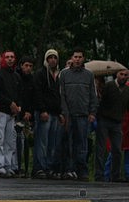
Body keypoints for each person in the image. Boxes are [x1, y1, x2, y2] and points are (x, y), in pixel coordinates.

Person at [59, 47, 98, 181]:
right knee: (67, 143)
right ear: (71, 58)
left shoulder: (89, 75)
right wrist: (64, 112)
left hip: (83, 115)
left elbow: (93, 95)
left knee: (82, 144)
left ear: (83, 59)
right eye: (75, 57)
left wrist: (92, 112)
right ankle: (68, 170)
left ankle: (82, 171)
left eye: (80, 57)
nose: (77, 59)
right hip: (68, 115)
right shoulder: (64, 74)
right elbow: (62, 95)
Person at [32, 49, 63, 179]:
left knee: (52, 143)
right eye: (50, 57)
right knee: (42, 142)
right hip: (45, 112)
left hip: (55, 113)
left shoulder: (59, 75)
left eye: (54, 58)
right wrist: (42, 109)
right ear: (46, 59)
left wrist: (61, 112)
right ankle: (40, 167)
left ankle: (49, 167)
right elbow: (38, 92)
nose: (52, 60)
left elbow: (60, 96)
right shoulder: (41, 74)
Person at [94, 68, 129, 182]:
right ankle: (99, 175)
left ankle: (116, 175)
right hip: (105, 120)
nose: (123, 77)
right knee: (101, 148)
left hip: (117, 122)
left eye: (126, 75)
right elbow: (101, 101)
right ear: (117, 75)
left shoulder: (127, 90)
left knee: (117, 150)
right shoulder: (109, 86)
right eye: (121, 74)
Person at [0, 51, 22, 177]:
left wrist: (18, 106)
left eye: (12, 57)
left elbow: (19, 93)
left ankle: (8, 165)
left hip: (11, 113)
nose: (9, 59)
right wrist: (10, 103)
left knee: (10, 140)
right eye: (7, 57)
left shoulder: (16, 76)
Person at [16, 55, 35, 177]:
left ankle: (27, 167)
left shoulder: (33, 79)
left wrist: (29, 112)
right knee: (18, 142)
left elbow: (34, 97)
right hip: (17, 113)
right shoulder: (17, 77)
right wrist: (22, 112)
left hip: (28, 114)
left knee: (27, 143)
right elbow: (18, 96)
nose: (28, 68)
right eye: (26, 65)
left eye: (30, 66)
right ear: (21, 66)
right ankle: (18, 166)